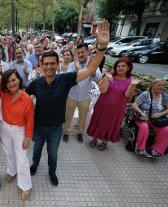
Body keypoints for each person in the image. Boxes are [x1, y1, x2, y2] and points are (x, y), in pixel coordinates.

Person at [26, 21, 110, 186]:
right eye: (46, 64)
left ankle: (52, 171)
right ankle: (34, 165)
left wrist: (101, 49)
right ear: (41, 66)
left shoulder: (66, 79)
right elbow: (21, 99)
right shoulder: (35, 84)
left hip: (57, 127)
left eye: (52, 63)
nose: (49, 66)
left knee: (53, 153)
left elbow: (90, 70)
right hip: (38, 126)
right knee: (36, 150)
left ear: (57, 65)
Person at [0, 69, 34, 200]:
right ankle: (12, 171)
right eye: (8, 81)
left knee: (22, 159)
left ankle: (25, 185)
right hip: (4, 128)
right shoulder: (4, 93)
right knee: (8, 152)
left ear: (19, 79)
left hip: (20, 130)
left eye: (13, 80)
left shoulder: (27, 99)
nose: (11, 83)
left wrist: (28, 137)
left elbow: (30, 120)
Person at [87, 57, 140, 150]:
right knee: (98, 121)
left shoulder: (131, 80)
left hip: (117, 109)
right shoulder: (109, 75)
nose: (120, 68)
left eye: (123, 66)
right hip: (102, 105)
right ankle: (94, 139)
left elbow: (128, 95)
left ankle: (104, 141)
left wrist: (133, 84)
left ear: (128, 67)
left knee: (110, 124)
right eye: (118, 66)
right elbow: (102, 90)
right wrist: (107, 79)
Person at [63, 43, 102, 143]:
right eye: (78, 52)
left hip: (85, 96)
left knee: (83, 116)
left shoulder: (93, 64)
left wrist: (91, 70)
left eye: (82, 52)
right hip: (72, 95)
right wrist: (78, 69)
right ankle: (66, 132)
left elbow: (98, 78)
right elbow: (69, 79)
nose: (80, 54)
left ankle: (80, 132)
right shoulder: (72, 65)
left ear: (87, 52)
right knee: (68, 115)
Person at [132, 79, 168, 157]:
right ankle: (141, 149)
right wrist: (141, 113)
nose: (161, 87)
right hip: (144, 118)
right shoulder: (145, 94)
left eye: (163, 85)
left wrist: (160, 114)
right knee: (144, 127)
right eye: (159, 85)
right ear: (152, 86)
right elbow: (134, 105)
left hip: (157, 120)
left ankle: (156, 150)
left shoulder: (164, 95)